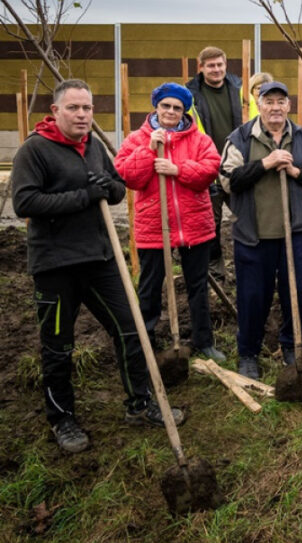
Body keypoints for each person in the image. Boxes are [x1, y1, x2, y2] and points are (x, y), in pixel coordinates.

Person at [12, 79, 183, 454]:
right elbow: (25, 203)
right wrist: (83, 196)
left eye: (87, 108)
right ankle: (61, 418)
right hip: (56, 265)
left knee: (131, 330)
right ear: (55, 111)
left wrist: (110, 187)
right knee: (57, 346)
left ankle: (139, 404)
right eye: (74, 108)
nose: (82, 115)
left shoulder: (93, 148)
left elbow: (117, 188)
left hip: (101, 260)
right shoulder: (35, 151)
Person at [219, 81, 302, 379]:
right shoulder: (240, 138)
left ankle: (292, 344)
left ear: (289, 106)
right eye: (269, 101)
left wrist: (295, 172)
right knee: (253, 296)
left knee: (297, 292)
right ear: (259, 104)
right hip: (253, 235)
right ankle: (248, 352)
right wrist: (266, 163)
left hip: (295, 234)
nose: (275, 107)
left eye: (281, 101)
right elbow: (227, 181)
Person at [113, 82, 224, 362]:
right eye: (166, 106)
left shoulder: (199, 140)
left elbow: (210, 170)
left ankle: (203, 340)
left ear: (184, 111)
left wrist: (177, 169)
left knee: (197, 287)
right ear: (156, 107)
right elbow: (127, 175)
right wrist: (149, 151)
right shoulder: (138, 139)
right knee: (150, 287)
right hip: (154, 225)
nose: (171, 111)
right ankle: (146, 342)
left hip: (194, 225)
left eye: (177, 107)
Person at [186, 46, 243, 279]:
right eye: (211, 65)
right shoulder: (191, 94)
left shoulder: (238, 88)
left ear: (225, 65)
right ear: (201, 68)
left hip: (237, 165)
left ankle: (245, 265)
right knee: (212, 222)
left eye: (220, 64)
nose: (216, 69)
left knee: (246, 216)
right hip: (208, 166)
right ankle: (216, 271)